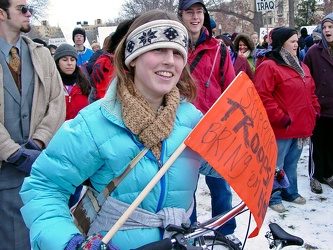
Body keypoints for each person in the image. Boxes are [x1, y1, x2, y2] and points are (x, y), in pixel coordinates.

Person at [20, 10, 224, 250]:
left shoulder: (192, 119)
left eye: (177, 53)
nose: (170, 60)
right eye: (158, 49)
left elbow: (218, 163)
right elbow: (44, 187)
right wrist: (68, 243)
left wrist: (253, 163)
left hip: (178, 242)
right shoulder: (94, 123)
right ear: (133, 57)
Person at [0, 0, 65, 248]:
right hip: (4, 174)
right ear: (1, 13)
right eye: (22, 9)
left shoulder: (40, 54)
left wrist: (38, 141)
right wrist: (12, 152)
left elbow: (57, 100)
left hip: (38, 169)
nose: (29, 14)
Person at [177, 0, 240, 247]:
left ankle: (225, 229)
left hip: (215, 130)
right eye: (189, 12)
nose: (195, 17)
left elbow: (231, 90)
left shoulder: (219, 50)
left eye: (199, 12)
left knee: (220, 185)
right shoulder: (173, 47)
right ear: (180, 15)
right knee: (185, 187)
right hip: (182, 129)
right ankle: (189, 231)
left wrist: (229, 125)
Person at [254, 27, 320, 213]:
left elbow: (311, 92)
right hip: (280, 127)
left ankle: (289, 191)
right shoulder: (268, 66)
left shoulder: (302, 66)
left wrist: (315, 111)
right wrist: (281, 118)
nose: (296, 44)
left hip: (300, 126)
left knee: (291, 163)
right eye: (292, 41)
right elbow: (262, 97)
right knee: (276, 165)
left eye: (297, 41)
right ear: (281, 43)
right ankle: (272, 195)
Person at [304, 13, 333, 194]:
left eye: (330, 27)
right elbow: (306, 78)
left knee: (331, 144)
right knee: (317, 143)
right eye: (324, 27)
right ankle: (315, 176)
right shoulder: (314, 52)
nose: (327, 30)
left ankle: (329, 174)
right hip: (319, 108)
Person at [54, 43, 91, 121]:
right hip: (59, 131)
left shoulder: (85, 84)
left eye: (72, 59)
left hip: (81, 130)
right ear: (57, 62)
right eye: (64, 60)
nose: (69, 63)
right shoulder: (52, 85)